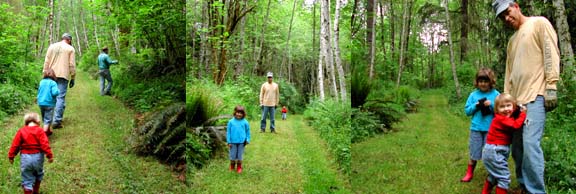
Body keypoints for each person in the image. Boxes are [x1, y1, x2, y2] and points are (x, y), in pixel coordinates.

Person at [492, 0, 560, 192]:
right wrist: (507, 99)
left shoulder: (539, 23)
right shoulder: (512, 41)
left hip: (535, 96)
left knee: (530, 146)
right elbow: (509, 72)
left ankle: (536, 191)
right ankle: (524, 185)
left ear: (516, 5)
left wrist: (552, 85)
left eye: (507, 12)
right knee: (518, 149)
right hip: (516, 102)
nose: (507, 18)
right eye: (502, 16)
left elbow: (550, 52)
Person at [481, 93, 526, 194]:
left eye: (508, 105)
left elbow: (512, 113)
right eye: (502, 107)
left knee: (494, 175)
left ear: (513, 106)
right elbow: (515, 125)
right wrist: (523, 113)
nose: (506, 109)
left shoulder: (505, 117)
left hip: (492, 151)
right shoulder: (500, 118)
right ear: (496, 109)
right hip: (495, 151)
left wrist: (518, 108)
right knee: (504, 178)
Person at [461, 68, 500, 182]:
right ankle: (469, 173)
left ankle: (492, 174)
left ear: (491, 81)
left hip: (491, 129)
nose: (483, 84)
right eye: (480, 81)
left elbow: (500, 111)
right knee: (474, 152)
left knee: (490, 153)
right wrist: (476, 105)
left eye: (486, 81)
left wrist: (491, 105)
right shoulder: (473, 95)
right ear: (477, 82)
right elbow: (467, 111)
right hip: (476, 128)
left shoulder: (496, 94)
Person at [8, 112, 54, 194]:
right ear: (38, 122)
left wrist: (11, 156)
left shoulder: (21, 131)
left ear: (26, 122)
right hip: (38, 157)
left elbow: (15, 145)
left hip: (25, 158)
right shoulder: (40, 131)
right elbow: (44, 144)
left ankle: (28, 190)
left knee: (27, 177)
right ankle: (36, 191)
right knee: (38, 174)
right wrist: (49, 155)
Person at [43, 33, 76, 129]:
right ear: (69, 40)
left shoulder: (52, 46)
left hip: (50, 74)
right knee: (60, 97)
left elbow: (47, 61)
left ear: (62, 38)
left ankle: (48, 120)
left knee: (51, 97)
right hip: (62, 75)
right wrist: (73, 77)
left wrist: (45, 72)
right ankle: (57, 121)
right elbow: (72, 65)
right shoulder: (70, 49)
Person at [226, 106, 251, 173]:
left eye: (241, 113)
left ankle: (239, 167)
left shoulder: (245, 122)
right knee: (232, 155)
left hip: (242, 142)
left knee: (240, 155)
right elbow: (228, 132)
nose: (239, 114)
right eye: (237, 112)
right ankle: (232, 166)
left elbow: (248, 131)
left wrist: (247, 139)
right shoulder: (231, 122)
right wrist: (229, 141)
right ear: (235, 112)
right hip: (232, 142)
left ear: (243, 114)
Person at [37, 69, 60, 136]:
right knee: (48, 119)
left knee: (45, 118)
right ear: (53, 75)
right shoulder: (53, 83)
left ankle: (48, 131)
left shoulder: (41, 82)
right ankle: (43, 135)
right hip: (49, 103)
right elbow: (55, 92)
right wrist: (58, 91)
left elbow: (39, 91)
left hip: (41, 103)